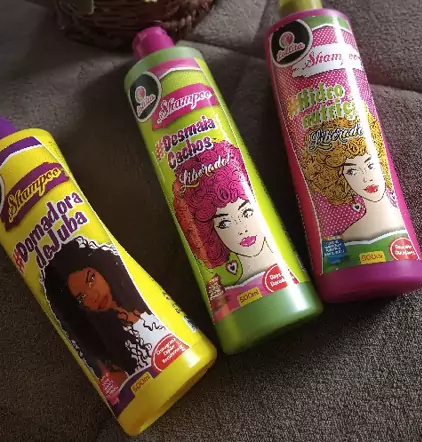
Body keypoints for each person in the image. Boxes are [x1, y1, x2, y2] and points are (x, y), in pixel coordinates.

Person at [42, 237, 165, 389]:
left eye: (91, 279)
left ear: (102, 268)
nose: (94, 296)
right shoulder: (105, 347)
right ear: (77, 308)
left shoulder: (140, 295)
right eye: (82, 297)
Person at [173, 140, 276, 283]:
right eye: (225, 223)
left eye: (246, 213)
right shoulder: (230, 293)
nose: (242, 230)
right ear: (210, 233)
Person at [302, 114, 405, 242]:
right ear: (339, 180)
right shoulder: (348, 236)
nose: (366, 179)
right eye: (353, 172)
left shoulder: (401, 220)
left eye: (371, 165)